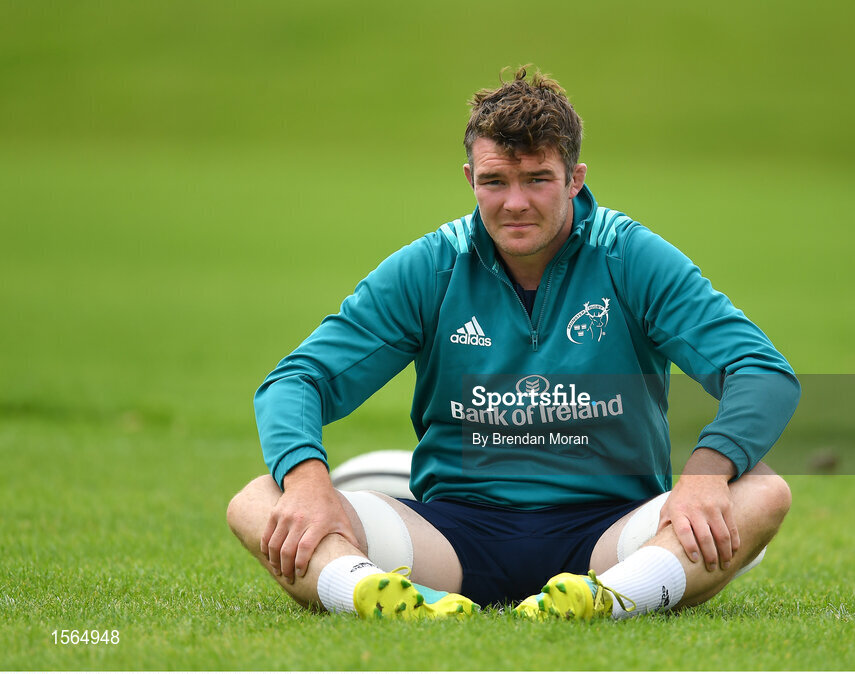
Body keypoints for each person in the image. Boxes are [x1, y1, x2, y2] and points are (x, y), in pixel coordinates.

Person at [226, 66, 799, 620]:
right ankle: (395, 603)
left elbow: (762, 372)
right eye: (495, 181)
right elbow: (297, 380)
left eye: (537, 180)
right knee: (259, 500)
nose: (515, 202)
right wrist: (307, 482)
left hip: (613, 532)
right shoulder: (432, 267)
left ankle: (605, 598)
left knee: (764, 493)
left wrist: (704, 473)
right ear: (470, 179)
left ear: (575, 179)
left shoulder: (630, 258)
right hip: (449, 538)